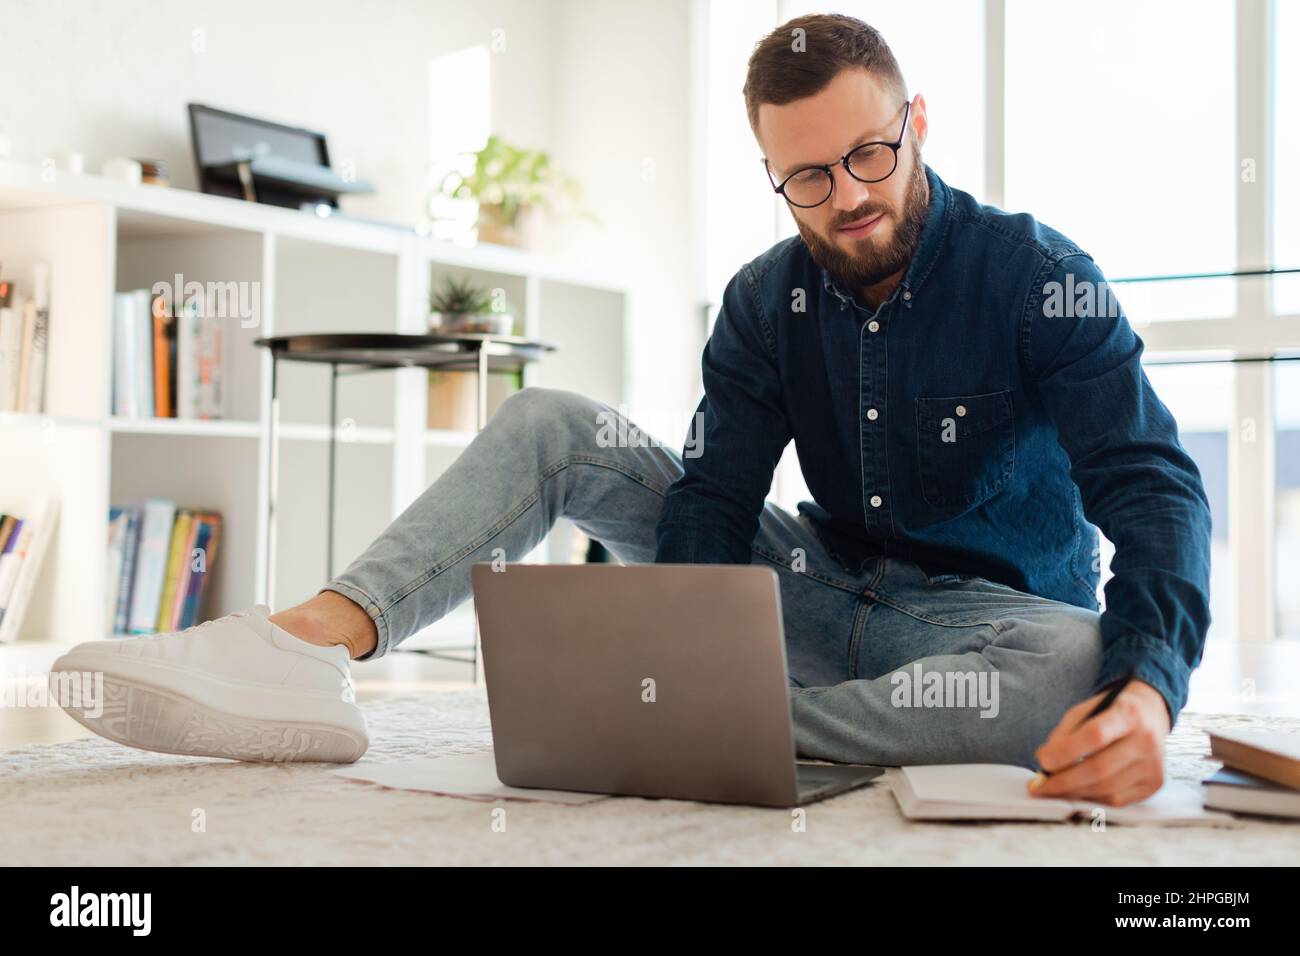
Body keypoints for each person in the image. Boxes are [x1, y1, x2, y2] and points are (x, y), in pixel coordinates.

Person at [53, 13, 1210, 808]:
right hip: (813, 588)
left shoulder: (1036, 275)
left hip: (981, 624)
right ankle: (307, 643)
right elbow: (712, 493)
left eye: (869, 154)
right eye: (808, 176)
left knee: (1077, 665)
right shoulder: (766, 298)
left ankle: (688, 731)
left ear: (918, 121)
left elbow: (1153, 486)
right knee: (558, 422)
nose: (848, 195)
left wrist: (1149, 690)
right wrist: (680, 640)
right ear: (772, 172)